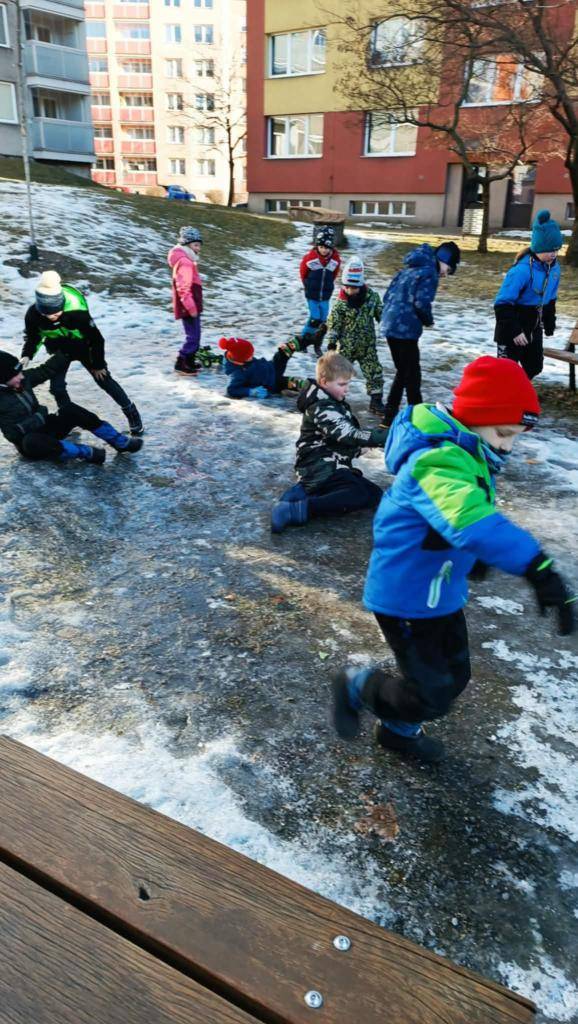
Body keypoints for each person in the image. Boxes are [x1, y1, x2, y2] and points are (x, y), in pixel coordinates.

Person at [332, 356, 575, 763]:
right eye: (503, 433)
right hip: (406, 597)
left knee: (454, 676)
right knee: (431, 692)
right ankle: (358, 686)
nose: (507, 446)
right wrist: (538, 569)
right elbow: (471, 520)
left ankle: (398, 732)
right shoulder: (437, 462)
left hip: (441, 591)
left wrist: (470, 558)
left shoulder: (468, 453)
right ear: (477, 418)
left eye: (514, 437)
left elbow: (453, 523)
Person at [271, 353, 387, 533]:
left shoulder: (331, 401)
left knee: (374, 495)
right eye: (342, 384)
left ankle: (304, 492)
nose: (346, 389)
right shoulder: (321, 406)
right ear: (324, 382)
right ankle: (297, 509)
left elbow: (337, 439)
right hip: (318, 465)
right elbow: (348, 434)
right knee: (358, 492)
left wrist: (358, 449)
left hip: (332, 462)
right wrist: (386, 437)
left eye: (347, 384)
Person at [22, 271, 143, 436]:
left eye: (56, 312)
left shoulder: (76, 311)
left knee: (103, 379)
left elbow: (97, 339)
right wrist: (27, 355)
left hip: (84, 347)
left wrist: (98, 364)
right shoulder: (32, 315)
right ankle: (69, 416)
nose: (51, 317)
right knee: (57, 387)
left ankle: (131, 412)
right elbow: (33, 337)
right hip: (60, 350)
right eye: (47, 313)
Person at [0, 350, 143, 464]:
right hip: (31, 443)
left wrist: (67, 352)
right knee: (31, 442)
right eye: (15, 374)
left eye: (20, 372)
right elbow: (13, 434)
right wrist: (40, 414)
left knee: (69, 409)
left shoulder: (24, 380)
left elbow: (46, 370)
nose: (21, 376)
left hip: (47, 427)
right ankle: (87, 453)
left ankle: (120, 442)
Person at [380, 241, 461, 426]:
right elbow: (421, 304)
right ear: (444, 260)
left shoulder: (408, 270)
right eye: (448, 269)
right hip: (405, 329)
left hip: (389, 325)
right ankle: (419, 417)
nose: (445, 274)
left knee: (403, 371)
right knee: (413, 374)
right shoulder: (429, 273)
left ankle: (389, 415)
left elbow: (387, 296)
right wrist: (428, 320)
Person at [494, 209, 562, 379]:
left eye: (557, 249)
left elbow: (551, 297)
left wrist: (549, 320)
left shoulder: (554, 269)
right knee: (505, 371)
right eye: (550, 250)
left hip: (533, 324)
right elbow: (502, 304)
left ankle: (518, 396)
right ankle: (502, 399)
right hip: (512, 323)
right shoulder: (521, 270)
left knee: (534, 366)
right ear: (538, 247)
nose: (554, 254)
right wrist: (515, 331)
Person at [326, 257, 385, 417]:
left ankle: (376, 400)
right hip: (346, 346)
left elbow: (381, 314)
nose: (350, 290)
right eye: (347, 287)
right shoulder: (341, 303)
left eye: (354, 287)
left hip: (367, 346)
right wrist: (332, 342)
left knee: (375, 372)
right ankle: (335, 399)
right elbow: (334, 323)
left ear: (361, 284)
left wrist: (388, 323)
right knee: (339, 373)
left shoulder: (372, 298)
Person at [219, 331, 323, 400]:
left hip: (271, 367)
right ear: (239, 360)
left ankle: (312, 339)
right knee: (295, 382)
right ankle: (319, 388)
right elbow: (231, 390)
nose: (252, 356)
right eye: (249, 356)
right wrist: (251, 392)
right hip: (273, 383)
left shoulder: (236, 356)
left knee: (284, 349)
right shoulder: (236, 374)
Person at [168, 226, 204, 376]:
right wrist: (191, 307)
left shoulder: (186, 260)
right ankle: (182, 362)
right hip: (188, 306)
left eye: (199, 245)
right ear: (187, 245)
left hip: (189, 304)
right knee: (193, 336)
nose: (198, 249)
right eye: (195, 245)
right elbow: (183, 287)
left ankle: (188, 361)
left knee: (194, 335)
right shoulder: (186, 262)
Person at [300, 226, 341, 354]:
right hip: (312, 295)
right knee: (314, 319)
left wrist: (328, 286)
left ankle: (317, 344)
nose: (323, 250)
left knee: (323, 322)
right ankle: (303, 342)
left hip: (325, 296)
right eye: (321, 247)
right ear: (317, 246)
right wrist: (308, 285)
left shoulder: (335, 260)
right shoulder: (310, 258)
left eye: (327, 247)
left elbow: (334, 274)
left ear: (331, 248)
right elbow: (303, 273)